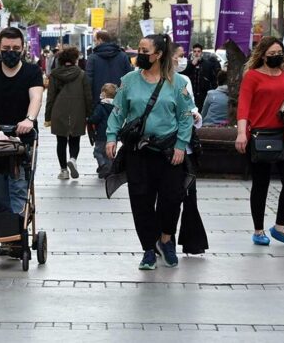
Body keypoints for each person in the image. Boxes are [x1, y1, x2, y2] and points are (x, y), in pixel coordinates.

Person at [106, 34, 193, 270]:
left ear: (159, 55)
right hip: (138, 152)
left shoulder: (178, 83)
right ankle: (148, 250)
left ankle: (166, 239)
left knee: (171, 200)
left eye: (145, 51)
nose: (139, 54)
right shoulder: (129, 81)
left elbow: (186, 117)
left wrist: (181, 145)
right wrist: (111, 136)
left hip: (168, 152)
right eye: (139, 49)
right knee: (141, 201)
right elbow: (118, 111)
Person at [0, 27, 44, 255]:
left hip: (21, 138)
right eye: (6, 49)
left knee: (18, 186)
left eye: (16, 48)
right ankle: (5, 234)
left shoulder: (32, 72)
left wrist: (29, 119)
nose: (11, 52)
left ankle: (17, 237)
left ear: (23, 48)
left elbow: (36, 97)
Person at [235, 36, 284, 247]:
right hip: (261, 136)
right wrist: (241, 133)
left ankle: (280, 227)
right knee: (261, 183)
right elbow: (243, 106)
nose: (276, 57)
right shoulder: (252, 77)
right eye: (271, 54)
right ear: (263, 56)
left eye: (279, 54)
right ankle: (258, 230)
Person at [172, 42, 208, 255]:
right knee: (168, 197)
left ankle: (192, 241)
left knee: (189, 194)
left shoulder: (184, 80)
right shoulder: (146, 79)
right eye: (178, 55)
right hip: (164, 147)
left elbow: (191, 105)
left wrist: (196, 115)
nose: (181, 59)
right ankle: (163, 239)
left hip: (186, 148)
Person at [44, 46, 92, 180]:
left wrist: (48, 116)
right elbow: (87, 95)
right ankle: (73, 159)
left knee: (61, 141)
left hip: (59, 110)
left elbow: (50, 96)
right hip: (78, 110)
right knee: (75, 139)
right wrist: (89, 113)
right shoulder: (81, 74)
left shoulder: (54, 74)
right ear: (75, 59)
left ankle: (64, 170)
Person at [86, 31, 133, 105]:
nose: (94, 43)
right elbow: (130, 78)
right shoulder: (123, 56)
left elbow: (88, 80)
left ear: (100, 40)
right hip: (119, 100)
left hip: (98, 100)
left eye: (95, 40)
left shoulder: (92, 58)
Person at [87, 83, 116, 178]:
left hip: (101, 134)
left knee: (98, 152)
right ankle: (109, 169)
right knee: (109, 153)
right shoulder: (116, 106)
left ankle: (103, 166)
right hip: (112, 135)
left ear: (103, 94)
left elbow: (95, 118)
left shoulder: (101, 106)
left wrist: (89, 119)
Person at [182, 43, 221, 110]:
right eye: (195, 51)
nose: (196, 53)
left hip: (203, 95)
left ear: (201, 53)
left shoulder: (207, 64)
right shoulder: (188, 64)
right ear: (192, 53)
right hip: (191, 94)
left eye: (198, 51)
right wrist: (191, 65)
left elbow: (213, 80)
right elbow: (184, 75)